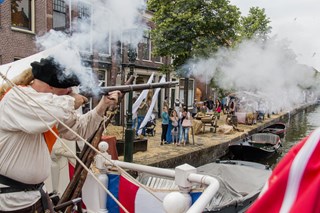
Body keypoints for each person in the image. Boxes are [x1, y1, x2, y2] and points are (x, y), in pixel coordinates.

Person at [0, 57, 120, 212]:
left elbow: (77, 130)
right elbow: (52, 109)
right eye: (67, 89)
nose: (71, 92)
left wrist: (102, 106)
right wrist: (71, 101)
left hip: (34, 196)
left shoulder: (50, 107)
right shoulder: (17, 97)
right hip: (9, 202)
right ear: (51, 87)